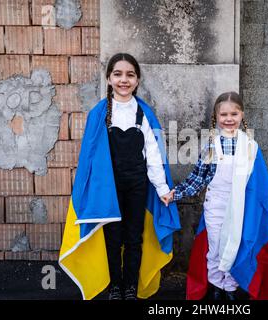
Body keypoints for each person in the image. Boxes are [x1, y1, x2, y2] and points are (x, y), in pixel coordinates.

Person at [59, 53, 180, 301]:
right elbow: (89, 159)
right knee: (112, 237)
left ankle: (130, 287)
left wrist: (161, 188)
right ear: (109, 78)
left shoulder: (145, 114)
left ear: (137, 80)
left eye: (130, 75)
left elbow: (154, 154)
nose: (124, 80)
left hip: (137, 185)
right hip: (108, 188)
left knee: (134, 238)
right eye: (118, 74)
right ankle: (115, 286)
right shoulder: (98, 114)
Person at [168, 91, 268, 300]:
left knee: (235, 246)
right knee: (215, 248)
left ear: (241, 115)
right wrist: (175, 194)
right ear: (216, 117)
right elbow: (198, 178)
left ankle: (230, 287)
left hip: (240, 207)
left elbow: (260, 185)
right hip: (216, 205)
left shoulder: (251, 147)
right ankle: (215, 285)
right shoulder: (211, 145)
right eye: (224, 115)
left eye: (234, 114)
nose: (229, 119)